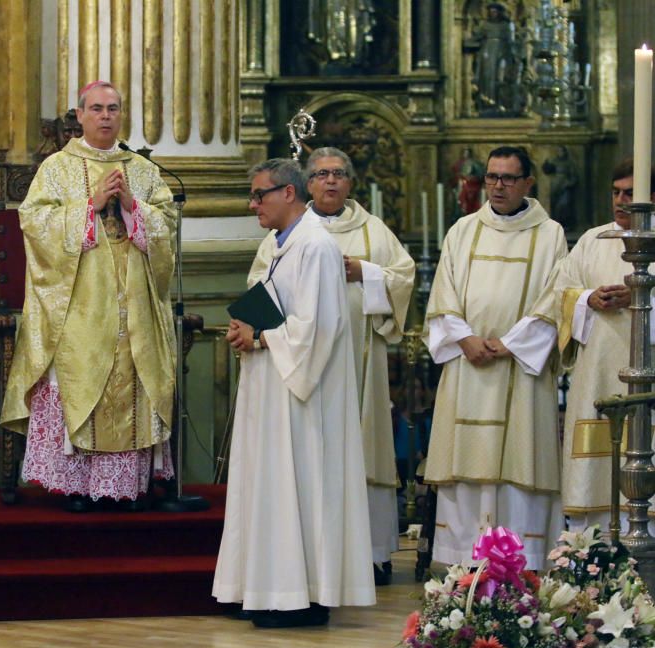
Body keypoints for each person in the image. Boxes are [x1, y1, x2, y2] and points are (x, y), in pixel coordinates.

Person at [213, 158, 375, 628]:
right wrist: (248, 327)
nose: (253, 204)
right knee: (272, 487)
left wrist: (262, 338)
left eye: (259, 194)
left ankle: (302, 596)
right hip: (274, 389)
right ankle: (269, 589)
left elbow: (320, 327)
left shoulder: (317, 246)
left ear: (288, 193)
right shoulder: (281, 245)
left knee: (300, 487)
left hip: (303, 398)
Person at [0, 81, 177, 511]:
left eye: (113, 108)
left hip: (132, 302)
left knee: (131, 380)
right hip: (78, 305)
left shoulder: (143, 170)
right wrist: (91, 206)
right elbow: (35, 224)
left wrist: (134, 205)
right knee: (82, 382)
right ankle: (77, 486)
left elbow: (167, 226)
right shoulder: (57, 168)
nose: (105, 116)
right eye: (96, 109)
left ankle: (127, 487)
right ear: (79, 116)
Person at [248, 147, 413, 585]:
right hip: (300, 363)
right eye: (321, 174)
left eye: (338, 174)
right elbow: (260, 290)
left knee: (362, 449)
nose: (330, 182)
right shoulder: (282, 236)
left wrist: (366, 272)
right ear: (303, 184)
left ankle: (371, 552)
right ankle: (323, 564)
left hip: (356, 358)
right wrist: (259, 332)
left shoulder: (372, 230)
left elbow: (404, 277)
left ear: (351, 181)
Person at [424, 146, 567, 570]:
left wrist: (511, 343)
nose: (498, 186)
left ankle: (522, 559)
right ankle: (464, 561)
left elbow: (554, 296)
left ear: (528, 182)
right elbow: (443, 292)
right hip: (468, 367)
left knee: (517, 463)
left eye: (507, 178)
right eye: (491, 177)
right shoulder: (463, 231)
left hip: (520, 370)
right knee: (467, 463)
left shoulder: (550, 234)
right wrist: (465, 338)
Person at [552, 158, 648, 532]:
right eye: (616, 193)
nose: (621, 201)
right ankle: (589, 540)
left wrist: (640, 297)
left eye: (630, 194)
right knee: (596, 457)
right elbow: (560, 291)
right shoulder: (592, 240)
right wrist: (587, 299)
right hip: (596, 373)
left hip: (645, 370)